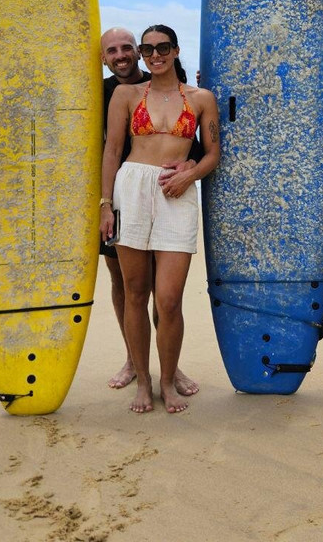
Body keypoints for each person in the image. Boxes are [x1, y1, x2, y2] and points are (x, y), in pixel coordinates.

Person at [0, 28, 200, 396]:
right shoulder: (99, 93)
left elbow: (193, 142)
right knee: (125, 284)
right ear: (103, 59)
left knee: (165, 291)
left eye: (127, 49)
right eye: (112, 51)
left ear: (141, 54)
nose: (121, 55)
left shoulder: (170, 82)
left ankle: (169, 366)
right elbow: (39, 110)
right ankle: (133, 361)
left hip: (164, 197)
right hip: (115, 198)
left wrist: (190, 167)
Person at [100, 24, 220, 413]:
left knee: (168, 300)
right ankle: (144, 381)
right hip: (131, 189)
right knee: (135, 293)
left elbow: (213, 154)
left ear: (176, 49)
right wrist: (105, 204)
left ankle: (168, 381)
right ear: (141, 53)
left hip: (177, 193)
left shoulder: (201, 98)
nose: (155, 54)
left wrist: (191, 173)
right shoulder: (125, 94)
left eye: (163, 47)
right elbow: (112, 150)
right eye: (148, 48)